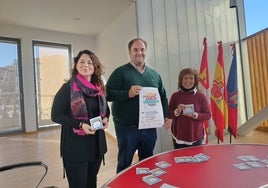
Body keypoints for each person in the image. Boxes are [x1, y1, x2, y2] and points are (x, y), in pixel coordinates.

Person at [106, 38, 171, 173]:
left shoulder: (154, 75)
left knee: (147, 162)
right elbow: (106, 94)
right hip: (126, 128)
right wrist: (127, 93)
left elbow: (163, 97)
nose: (139, 53)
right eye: (135, 50)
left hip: (149, 128)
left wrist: (166, 115)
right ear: (129, 52)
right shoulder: (120, 73)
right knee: (125, 163)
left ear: (146, 52)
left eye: (142, 49)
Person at [51, 49, 109, 188]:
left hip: (97, 146)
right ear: (76, 65)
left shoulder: (98, 88)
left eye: (90, 62)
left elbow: (106, 109)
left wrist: (106, 118)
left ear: (95, 67)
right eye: (81, 62)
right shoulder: (68, 88)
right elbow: (56, 115)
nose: (86, 65)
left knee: (91, 182)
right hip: (76, 148)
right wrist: (80, 124)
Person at [168, 68, 211, 149]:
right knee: (180, 159)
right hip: (178, 136)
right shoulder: (175, 96)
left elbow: (208, 115)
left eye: (191, 78)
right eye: (185, 78)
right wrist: (177, 111)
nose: (188, 81)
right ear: (181, 80)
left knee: (196, 159)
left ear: (195, 81)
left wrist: (195, 115)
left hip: (196, 136)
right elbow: (169, 114)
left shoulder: (200, 96)